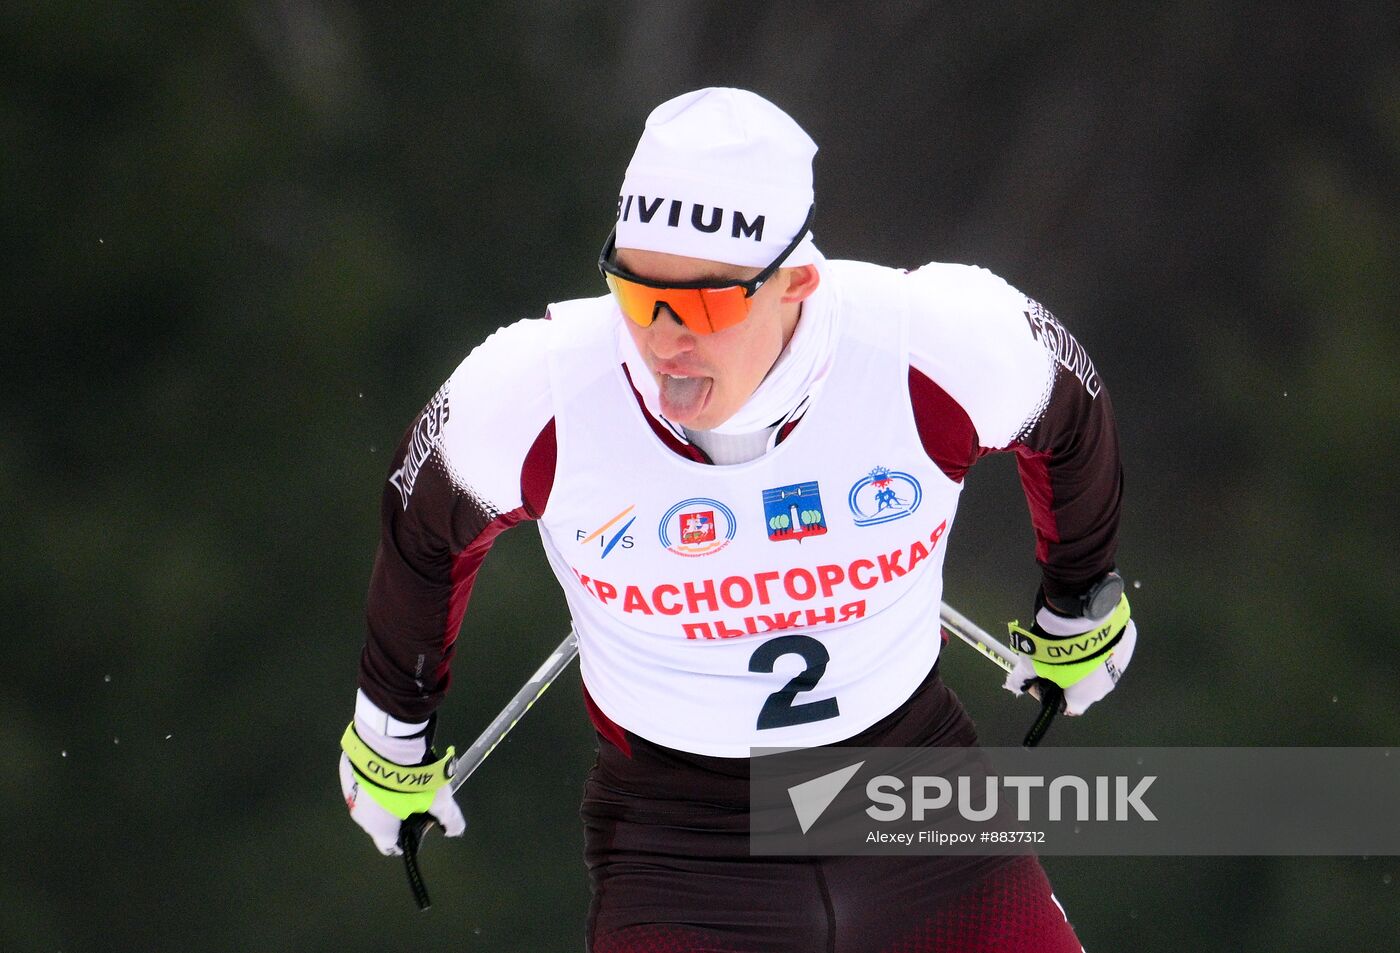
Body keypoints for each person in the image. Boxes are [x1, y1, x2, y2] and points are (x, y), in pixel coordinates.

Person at [338, 87, 1136, 952]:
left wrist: (1080, 595)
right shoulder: (542, 392)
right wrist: (391, 730)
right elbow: (422, 521)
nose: (663, 338)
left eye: (705, 305)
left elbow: (1069, 401)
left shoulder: (926, 344)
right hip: (683, 843)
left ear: (796, 282)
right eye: (638, 295)